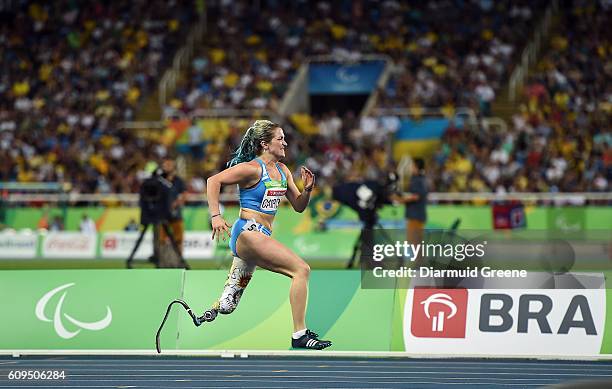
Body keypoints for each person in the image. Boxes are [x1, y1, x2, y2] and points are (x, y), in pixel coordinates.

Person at [202, 119, 332, 350]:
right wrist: (216, 216)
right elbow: (214, 181)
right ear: (265, 144)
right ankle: (299, 334)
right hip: (247, 233)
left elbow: (299, 206)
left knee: (228, 305)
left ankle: (211, 309)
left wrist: (308, 189)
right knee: (301, 270)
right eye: (280, 139)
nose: (285, 143)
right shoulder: (252, 168)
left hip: (262, 236)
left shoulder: (283, 171)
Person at [159, 157, 187, 255]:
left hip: (176, 213)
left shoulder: (178, 180)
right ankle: (162, 260)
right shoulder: (159, 180)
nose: (167, 167)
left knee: (178, 239)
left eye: (169, 165)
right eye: (165, 165)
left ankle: (179, 260)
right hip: (162, 214)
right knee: (161, 239)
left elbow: (184, 195)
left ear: (173, 167)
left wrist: (176, 203)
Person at [403, 158, 428, 261]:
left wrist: (401, 199)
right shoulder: (417, 179)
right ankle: (419, 262)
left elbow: (417, 196)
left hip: (416, 215)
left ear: (417, 167)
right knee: (413, 240)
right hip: (414, 214)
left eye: (413, 166)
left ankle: (420, 263)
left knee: (415, 240)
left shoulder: (418, 180)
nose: (411, 168)